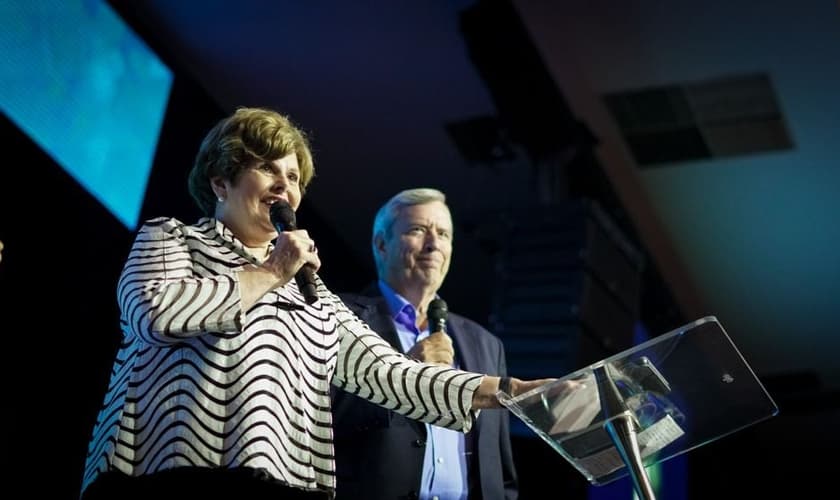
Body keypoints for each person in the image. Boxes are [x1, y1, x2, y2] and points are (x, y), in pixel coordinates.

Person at [79, 107, 549, 500]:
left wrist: (511, 391)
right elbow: (153, 313)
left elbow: (392, 373)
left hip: (282, 484)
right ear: (221, 182)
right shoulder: (172, 239)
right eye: (268, 168)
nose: (285, 185)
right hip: (166, 473)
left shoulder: (310, 292)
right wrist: (270, 272)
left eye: (293, 176)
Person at [331, 188, 517, 500]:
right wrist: (408, 369)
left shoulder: (486, 343)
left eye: (443, 234)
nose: (433, 244)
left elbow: (499, 468)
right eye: (418, 230)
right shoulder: (339, 317)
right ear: (381, 244)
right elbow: (320, 418)